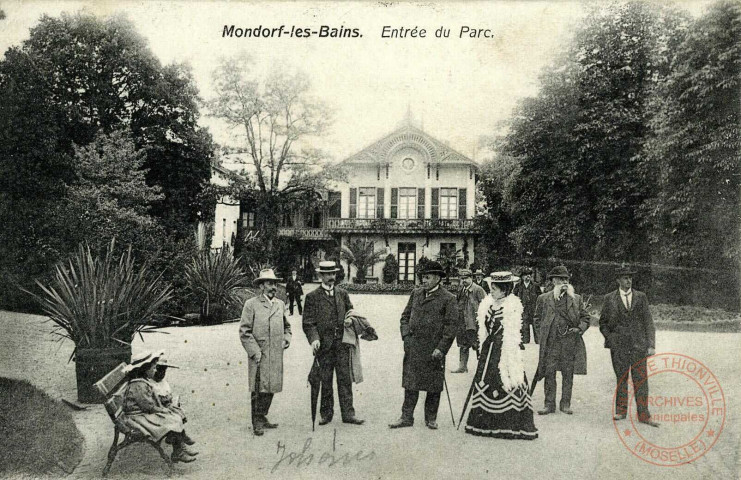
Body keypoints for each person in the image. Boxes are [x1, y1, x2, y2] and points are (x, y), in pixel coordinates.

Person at [464, 272, 538, 439]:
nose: (492, 292)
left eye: (495, 289)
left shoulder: (512, 306)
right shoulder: (488, 304)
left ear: (505, 290)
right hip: (489, 350)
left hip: (505, 351)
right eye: (491, 288)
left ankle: (508, 425)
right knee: (485, 381)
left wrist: (506, 349)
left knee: (507, 380)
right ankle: (483, 423)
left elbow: (513, 334)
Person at [389, 261, 458, 430]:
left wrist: (441, 349)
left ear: (437, 278)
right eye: (422, 277)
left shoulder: (448, 298)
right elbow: (404, 317)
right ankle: (406, 417)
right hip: (413, 347)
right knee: (410, 383)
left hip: (433, 349)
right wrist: (406, 337)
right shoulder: (416, 293)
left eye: (427, 277)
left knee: (433, 385)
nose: (423, 280)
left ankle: (431, 418)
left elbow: (451, 327)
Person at [302, 261, 364, 425]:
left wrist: (350, 320)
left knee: (345, 379)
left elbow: (351, 312)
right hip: (324, 346)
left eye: (333, 274)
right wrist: (314, 339)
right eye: (327, 274)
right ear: (320, 276)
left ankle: (348, 414)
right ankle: (326, 414)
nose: (331, 277)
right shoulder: (312, 297)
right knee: (325, 380)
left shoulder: (342, 294)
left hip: (342, 344)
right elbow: (308, 323)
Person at [599, 265, 659, 427]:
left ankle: (644, 414)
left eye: (630, 278)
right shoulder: (609, 299)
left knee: (641, 380)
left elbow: (649, 323)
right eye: (625, 278)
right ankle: (621, 410)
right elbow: (602, 323)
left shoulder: (641, 297)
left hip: (639, 346)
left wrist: (651, 345)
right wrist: (610, 339)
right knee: (621, 378)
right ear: (618, 280)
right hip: (618, 347)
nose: (628, 281)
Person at [240, 268, 292, 436]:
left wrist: (286, 338)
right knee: (258, 388)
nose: (274, 287)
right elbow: (244, 331)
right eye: (270, 283)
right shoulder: (251, 305)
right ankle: (256, 421)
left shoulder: (280, 304)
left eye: (275, 284)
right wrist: (255, 352)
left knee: (271, 387)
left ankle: (263, 416)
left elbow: (288, 327)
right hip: (259, 354)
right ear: (261, 286)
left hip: (275, 353)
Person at [119, 351, 197, 463]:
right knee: (171, 419)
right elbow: (147, 406)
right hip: (138, 417)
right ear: (145, 369)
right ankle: (179, 450)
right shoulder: (138, 385)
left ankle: (180, 449)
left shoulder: (142, 382)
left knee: (172, 416)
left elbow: (149, 404)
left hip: (142, 413)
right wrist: (161, 409)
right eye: (153, 368)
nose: (155, 371)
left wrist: (162, 409)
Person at [533, 266, 591, 415]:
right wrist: (542, 337)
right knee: (549, 372)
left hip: (569, 342)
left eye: (566, 279)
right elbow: (537, 319)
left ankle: (565, 404)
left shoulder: (576, 299)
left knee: (568, 373)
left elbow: (585, 318)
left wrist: (579, 329)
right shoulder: (544, 298)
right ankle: (549, 404)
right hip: (551, 343)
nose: (564, 281)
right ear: (553, 281)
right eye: (560, 279)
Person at [451, 268, 486, 373]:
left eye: (466, 278)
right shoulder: (461, 289)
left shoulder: (478, 290)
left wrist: (481, 320)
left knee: (477, 345)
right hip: (462, 322)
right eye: (462, 278)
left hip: (474, 323)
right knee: (463, 345)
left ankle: (482, 369)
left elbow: (485, 305)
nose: (464, 280)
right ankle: (463, 366)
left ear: (471, 278)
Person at [151, 352, 188, 424]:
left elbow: (168, 395)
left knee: (178, 416)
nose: (161, 373)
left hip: (167, 406)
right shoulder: (150, 383)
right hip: (158, 409)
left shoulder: (164, 383)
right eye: (159, 370)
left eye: (164, 370)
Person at [513, 267, 540, 344]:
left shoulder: (535, 285)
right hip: (523, 309)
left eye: (529, 275)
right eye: (525, 275)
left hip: (534, 309)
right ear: (522, 277)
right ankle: (525, 341)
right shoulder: (518, 286)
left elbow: (540, 296)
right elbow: (514, 297)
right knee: (524, 325)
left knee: (536, 324)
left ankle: (538, 341)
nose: (527, 276)